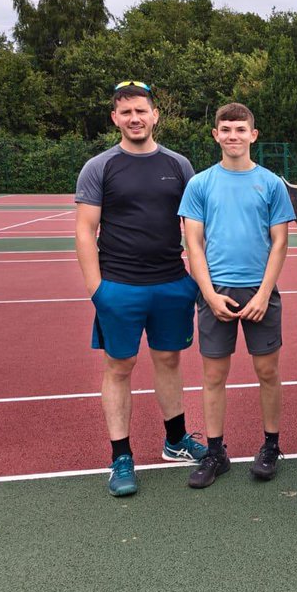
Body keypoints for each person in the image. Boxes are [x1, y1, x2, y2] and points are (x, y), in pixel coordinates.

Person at [74, 80, 206, 497]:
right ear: (115, 118)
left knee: (168, 360)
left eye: (141, 110)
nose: (134, 118)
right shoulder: (100, 166)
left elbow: (194, 227)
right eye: (125, 111)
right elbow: (84, 230)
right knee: (120, 367)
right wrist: (98, 290)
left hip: (171, 283)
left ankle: (175, 440)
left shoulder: (179, 165)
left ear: (155, 115)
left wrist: (193, 280)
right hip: (119, 287)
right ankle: (121, 457)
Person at [178, 103, 296, 489]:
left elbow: (281, 242)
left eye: (240, 129)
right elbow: (193, 243)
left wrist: (263, 293)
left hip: (260, 292)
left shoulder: (272, 184)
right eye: (225, 129)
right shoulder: (200, 184)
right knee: (213, 376)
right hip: (215, 292)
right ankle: (215, 453)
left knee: (267, 372)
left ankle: (271, 446)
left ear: (253, 135)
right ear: (215, 135)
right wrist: (208, 294)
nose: (233, 136)